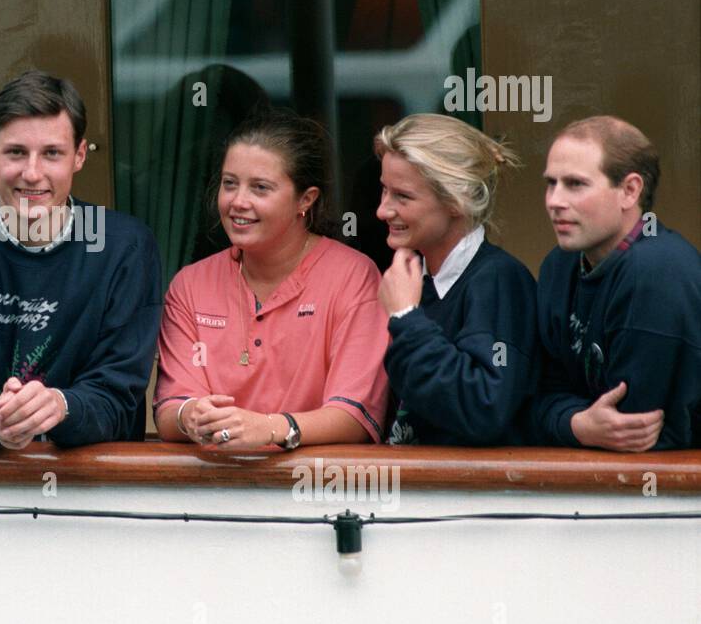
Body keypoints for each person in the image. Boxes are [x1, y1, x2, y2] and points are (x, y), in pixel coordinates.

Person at [0, 69, 162, 452]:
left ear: (80, 156)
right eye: (16, 152)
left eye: (52, 153)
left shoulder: (123, 247)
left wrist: (60, 407)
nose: (32, 173)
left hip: (92, 496)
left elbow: (119, 401)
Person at [155, 108, 388, 450]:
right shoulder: (191, 284)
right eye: (229, 184)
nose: (238, 201)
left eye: (260, 188)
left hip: (316, 493)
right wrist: (190, 415)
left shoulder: (353, 276)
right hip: (210, 490)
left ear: (305, 200)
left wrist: (271, 428)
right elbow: (170, 408)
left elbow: (353, 416)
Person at [531, 116, 700, 450]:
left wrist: (562, 420)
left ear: (629, 190)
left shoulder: (657, 274)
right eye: (551, 183)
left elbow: (630, 431)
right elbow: (530, 395)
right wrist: (576, 423)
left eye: (575, 184)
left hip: (672, 495)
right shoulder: (559, 264)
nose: (554, 201)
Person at [374, 114, 538, 445]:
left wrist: (407, 320)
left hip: (476, 494)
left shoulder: (498, 281)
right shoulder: (415, 281)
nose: (382, 210)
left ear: (455, 200)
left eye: (402, 197)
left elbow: (483, 407)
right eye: (384, 190)